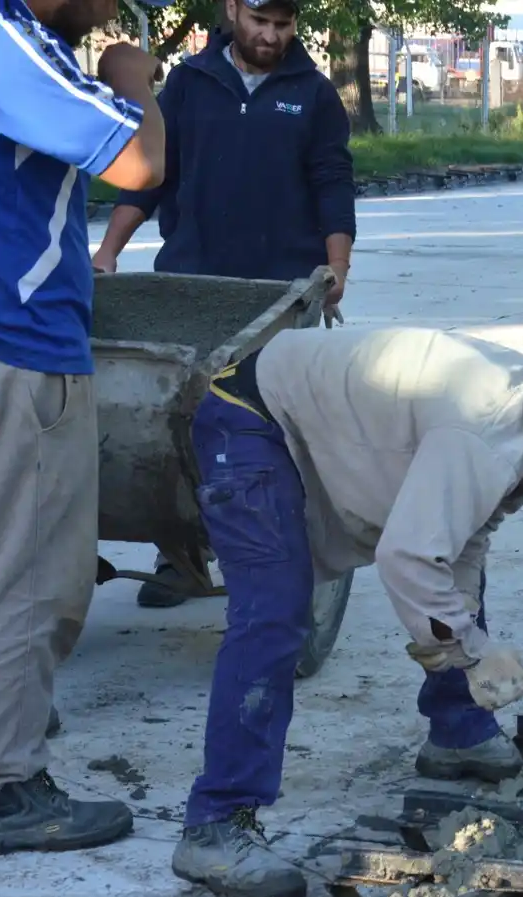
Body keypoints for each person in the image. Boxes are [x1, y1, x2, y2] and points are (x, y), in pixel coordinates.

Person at [170, 326, 523, 897]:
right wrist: (472, 652)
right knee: (273, 614)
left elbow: (462, 546)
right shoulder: (487, 433)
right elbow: (409, 558)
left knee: (450, 598)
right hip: (252, 417)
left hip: (307, 423)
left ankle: (459, 732)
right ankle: (216, 825)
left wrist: (472, 641)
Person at [91, 0, 357, 610]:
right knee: (176, 419)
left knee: (261, 429)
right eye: (260, 20)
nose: (270, 35)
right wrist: (108, 249)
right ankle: (178, 552)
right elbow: (156, 176)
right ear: (233, 9)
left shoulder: (312, 94)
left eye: (284, 25)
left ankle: (266, 553)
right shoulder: (191, 81)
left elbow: (331, 181)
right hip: (190, 280)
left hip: (277, 294)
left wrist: (335, 267)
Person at [0, 0, 168, 855]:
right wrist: (135, 81)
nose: (109, 6)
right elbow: (140, 162)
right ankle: (8, 785)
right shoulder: (11, 42)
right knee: (34, 577)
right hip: (20, 346)